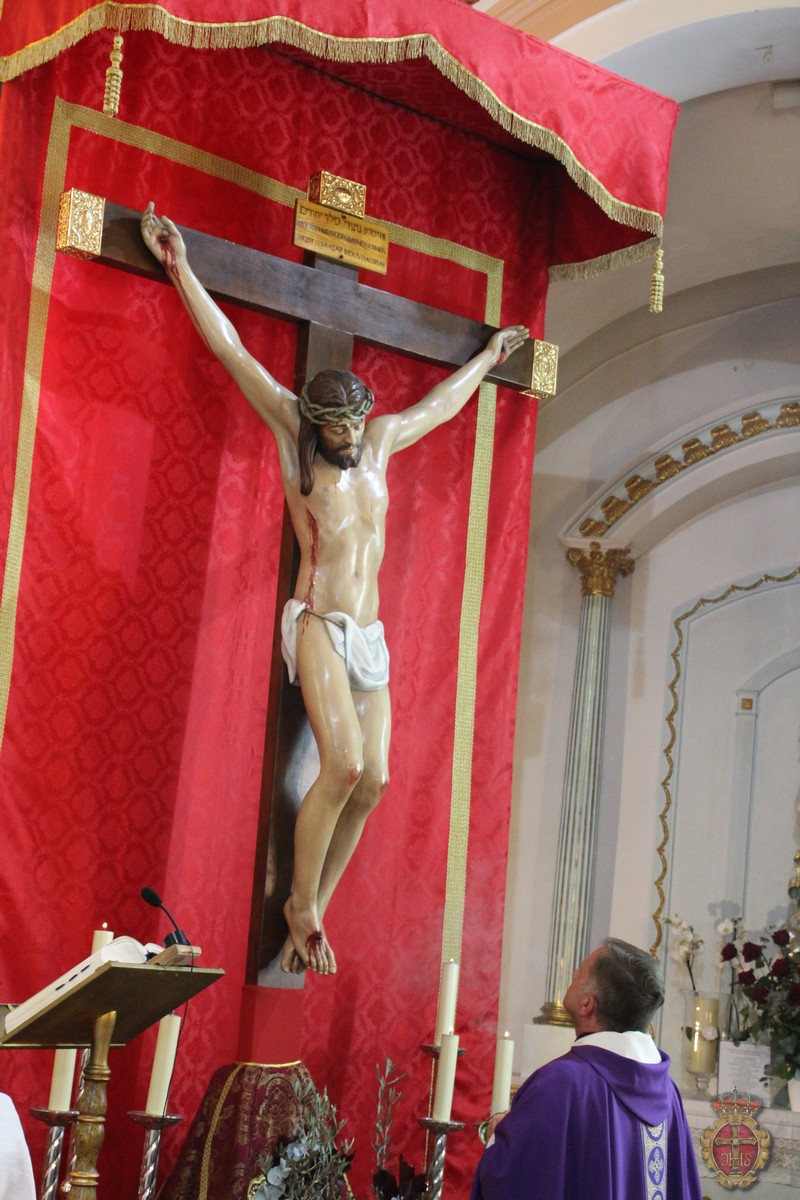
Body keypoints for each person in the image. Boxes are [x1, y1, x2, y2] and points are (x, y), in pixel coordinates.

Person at [140, 203, 528, 976]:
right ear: (316, 423)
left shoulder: (380, 443)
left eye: (354, 426)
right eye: (337, 429)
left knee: (375, 780)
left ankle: (315, 906)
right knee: (343, 763)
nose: (349, 438)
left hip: (369, 634)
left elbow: (440, 406)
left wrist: (487, 360)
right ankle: (300, 904)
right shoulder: (296, 440)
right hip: (318, 621)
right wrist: (181, 268)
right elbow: (233, 351)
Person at [472, 939, 703, 1200]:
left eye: (581, 971)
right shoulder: (667, 1092)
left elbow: (514, 1181)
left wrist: (496, 1137)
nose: (573, 974)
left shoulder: (561, 1083)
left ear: (587, 1004)